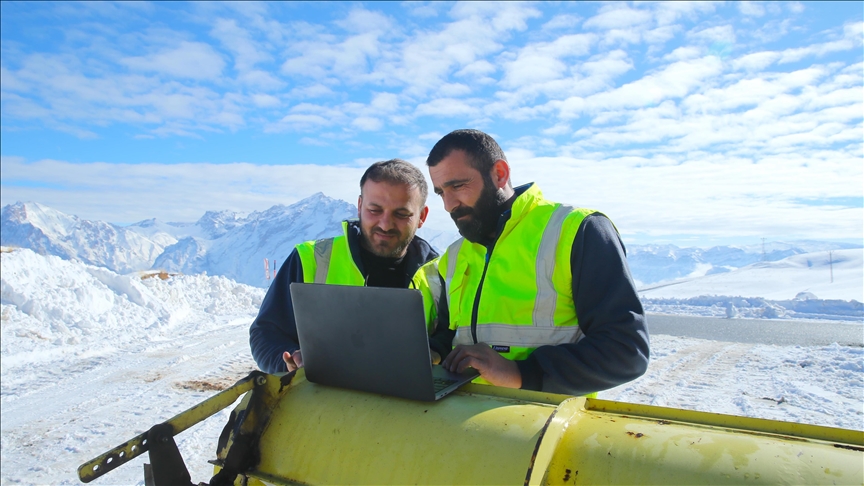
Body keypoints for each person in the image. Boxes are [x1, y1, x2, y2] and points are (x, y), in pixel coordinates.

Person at [416, 129, 649, 396]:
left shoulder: (576, 230)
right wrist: (431, 351)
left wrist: (520, 373)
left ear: (499, 174)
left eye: (458, 186)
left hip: (546, 425)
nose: (448, 205)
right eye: (440, 192)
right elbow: (454, 335)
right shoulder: (456, 255)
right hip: (468, 422)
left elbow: (626, 352)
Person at [250, 159, 439, 374]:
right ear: (359, 206)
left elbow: (448, 343)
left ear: (422, 216)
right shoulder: (311, 259)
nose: (385, 224)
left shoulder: (441, 274)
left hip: (409, 405)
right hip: (322, 402)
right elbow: (266, 332)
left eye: (401, 214)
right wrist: (289, 362)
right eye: (374, 210)